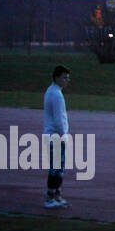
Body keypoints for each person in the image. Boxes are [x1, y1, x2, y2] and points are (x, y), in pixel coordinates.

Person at [43, 65, 71, 209]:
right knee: (56, 169)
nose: (67, 80)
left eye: (68, 78)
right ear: (57, 78)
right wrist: (63, 135)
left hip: (51, 135)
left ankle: (57, 195)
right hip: (55, 136)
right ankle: (50, 198)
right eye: (64, 78)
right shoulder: (56, 95)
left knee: (58, 168)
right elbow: (58, 119)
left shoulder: (51, 91)